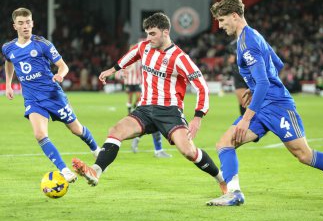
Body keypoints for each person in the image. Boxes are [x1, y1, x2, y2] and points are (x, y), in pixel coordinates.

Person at [206, 0, 323, 206]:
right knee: (224, 143)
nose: (220, 26)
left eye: (222, 20)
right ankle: (234, 193)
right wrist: (254, 87)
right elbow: (277, 64)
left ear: (234, 15)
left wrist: (246, 117)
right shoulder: (252, 35)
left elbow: (266, 82)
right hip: (263, 107)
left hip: (278, 107)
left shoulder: (247, 43)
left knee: (304, 155)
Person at [72, 12, 227, 195]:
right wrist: (112, 70)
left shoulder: (180, 58)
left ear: (165, 32)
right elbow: (131, 55)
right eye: (147, 33)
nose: (148, 38)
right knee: (115, 131)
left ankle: (222, 179)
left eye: (152, 33)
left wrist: (198, 118)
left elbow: (202, 87)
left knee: (188, 151)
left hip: (169, 111)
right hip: (145, 109)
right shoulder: (144, 47)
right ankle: (95, 171)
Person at [1, 8, 101, 183]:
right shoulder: (8, 48)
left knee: (76, 129)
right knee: (40, 135)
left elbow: (63, 66)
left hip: (53, 95)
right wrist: (8, 84)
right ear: (14, 25)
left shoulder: (42, 44)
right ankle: (64, 170)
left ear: (32, 23)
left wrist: (60, 75)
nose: (25, 26)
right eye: (21, 23)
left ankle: (96, 149)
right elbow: (8, 62)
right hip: (33, 99)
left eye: (28, 22)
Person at [116, 61, 172, 158]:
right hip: (152, 100)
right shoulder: (149, 65)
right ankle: (158, 150)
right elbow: (119, 73)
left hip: (150, 99)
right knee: (156, 124)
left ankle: (139, 141)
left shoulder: (144, 64)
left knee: (152, 125)